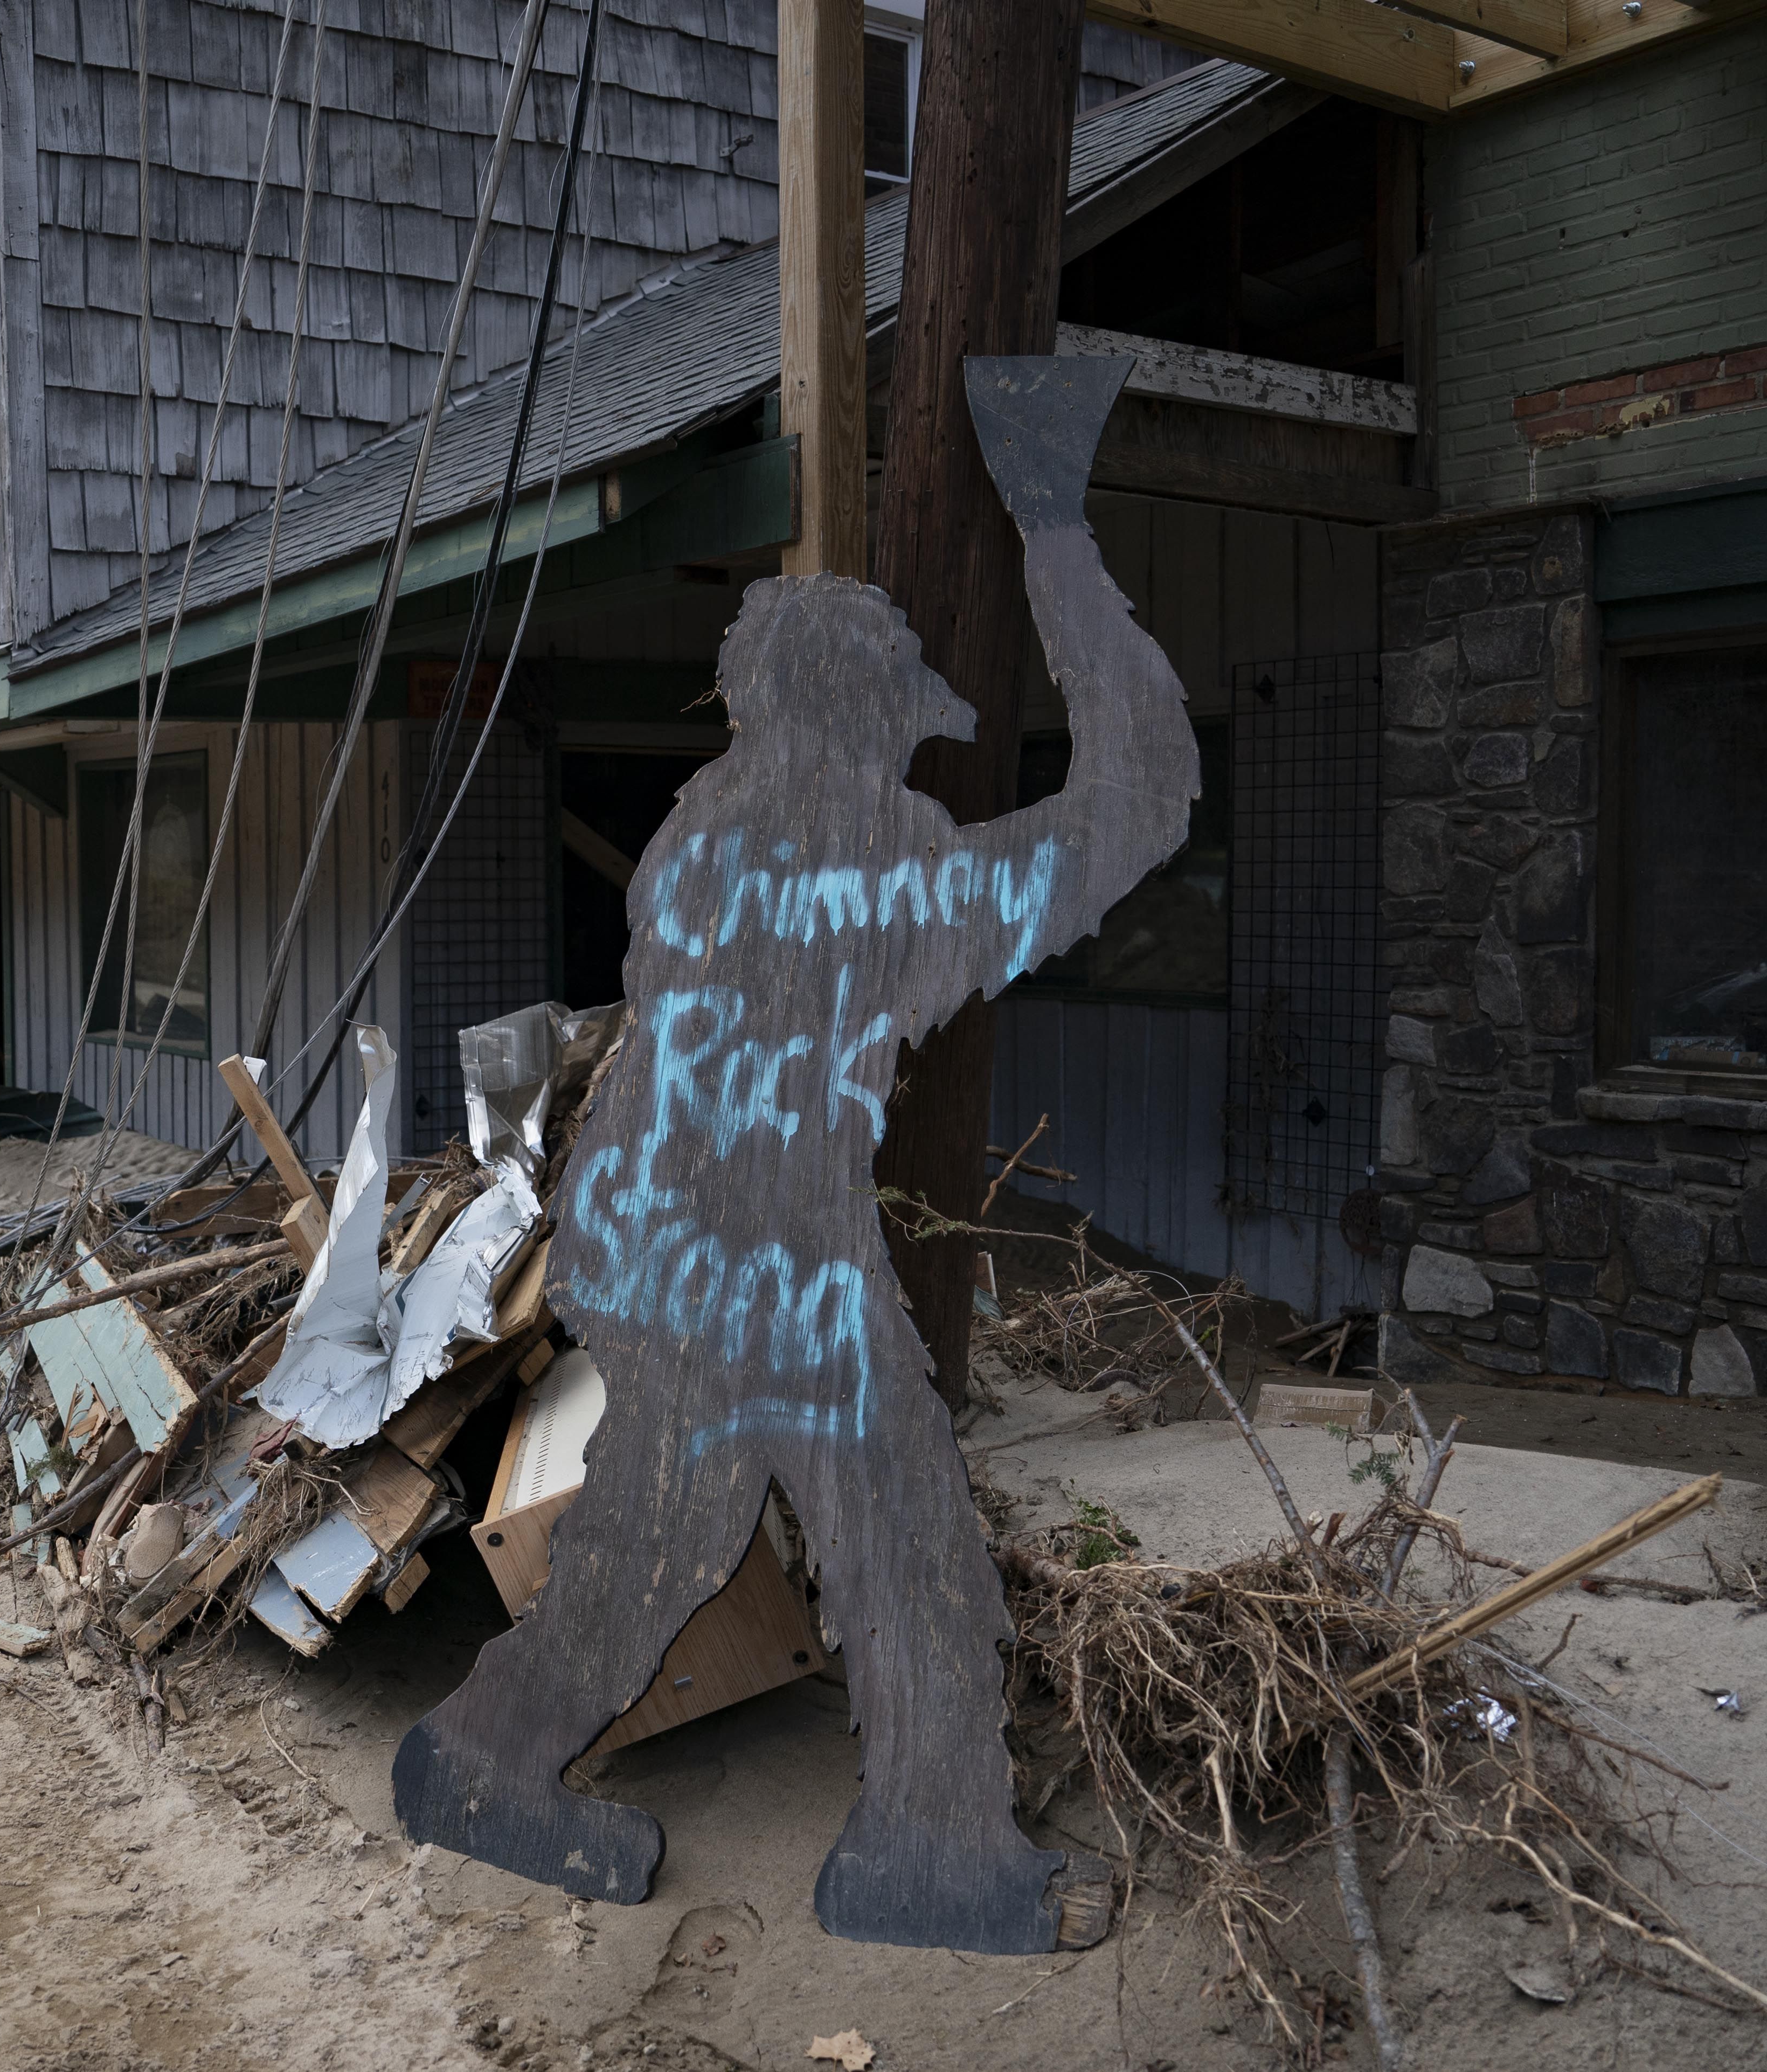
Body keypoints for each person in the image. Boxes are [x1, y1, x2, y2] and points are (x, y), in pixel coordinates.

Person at [393, 357, 1196, 1955]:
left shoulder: (701, 835)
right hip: (759, 1261)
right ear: (865, 715)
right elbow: (1139, 799)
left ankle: (493, 1760)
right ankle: (929, 1845)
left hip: (667, 1241)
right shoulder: (875, 861)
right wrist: (1051, 529)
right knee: (898, 1540)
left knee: (675, 1537)